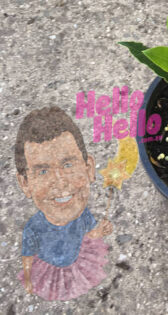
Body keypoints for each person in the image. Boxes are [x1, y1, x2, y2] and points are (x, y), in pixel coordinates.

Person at [15, 105, 113, 301]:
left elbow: (89, 236)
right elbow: (27, 257)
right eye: (42, 171)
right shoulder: (33, 228)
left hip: (77, 261)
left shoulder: (84, 214)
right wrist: (28, 279)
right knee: (56, 287)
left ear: (89, 169)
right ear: (25, 184)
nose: (60, 182)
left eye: (68, 164)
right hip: (50, 268)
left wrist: (99, 232)